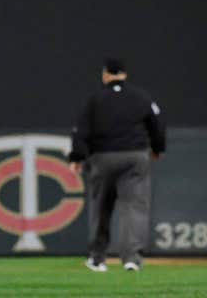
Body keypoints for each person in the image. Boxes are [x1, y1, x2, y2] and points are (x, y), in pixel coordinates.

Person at [67, 59, 166, 273]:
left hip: (103, 157)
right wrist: (158, 147)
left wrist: (77, 156)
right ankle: (132, 259)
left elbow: (80, 129)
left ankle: (97, 259)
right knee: (134, 208)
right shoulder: (141, 96)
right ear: (124, 74)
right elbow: (157, 123)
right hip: (134, 156)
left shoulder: (95, 99)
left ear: (105, 75)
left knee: (101, 208)